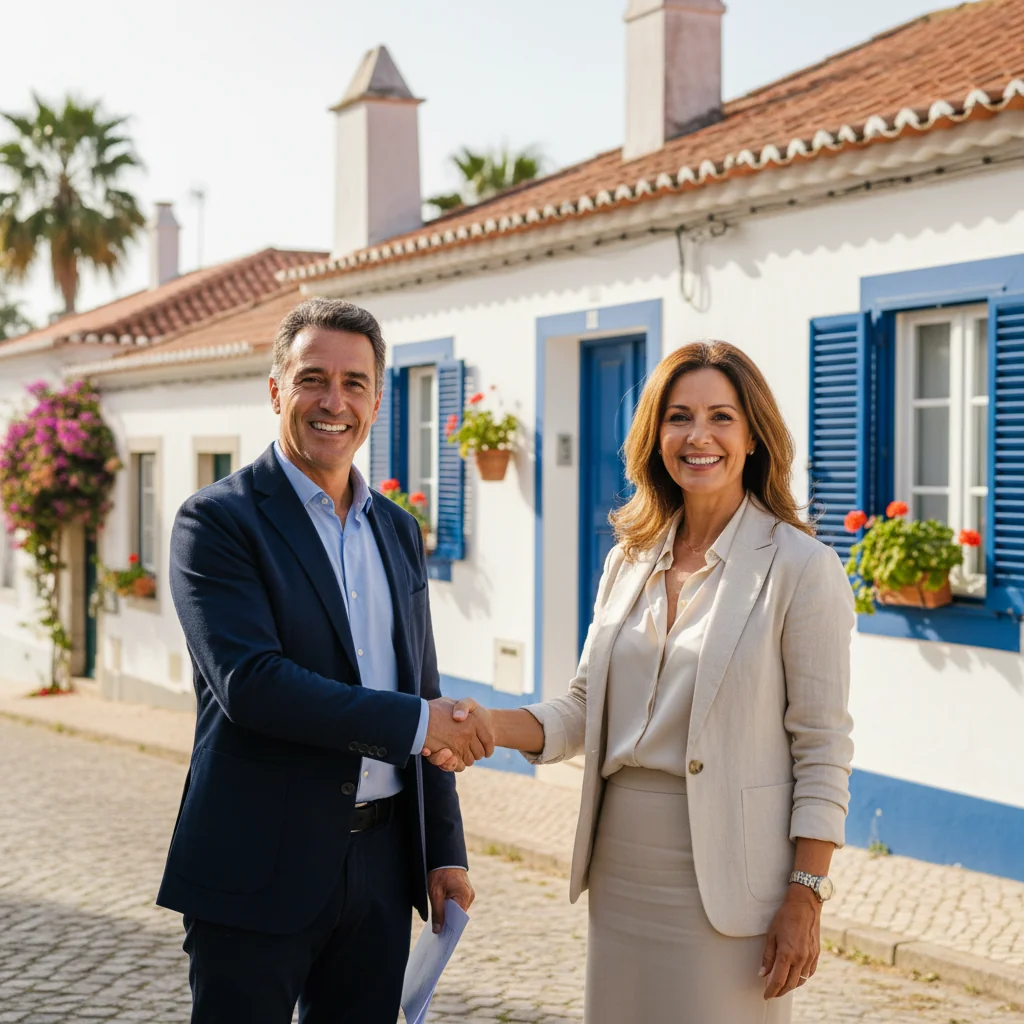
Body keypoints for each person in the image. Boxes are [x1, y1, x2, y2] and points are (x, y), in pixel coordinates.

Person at [426, 341, 855, 1023]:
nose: (699, 436)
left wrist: (807, 890)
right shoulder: (629, 558)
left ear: (753, 436)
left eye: (722, 416)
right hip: (623, 867)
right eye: (679, 417)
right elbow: (585, 705)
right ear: (656, 437)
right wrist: (484, 724)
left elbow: (823, 745)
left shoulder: (801, 568)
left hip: (730, 881)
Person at [157, 298, 494, 1024]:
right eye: (313, 379)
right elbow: (254, 685)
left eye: (355, 383)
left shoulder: (399, 531)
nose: (333, 402)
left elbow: (421, 688)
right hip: (257, 862)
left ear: (377, 398)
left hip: (380, 868)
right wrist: (416, 720)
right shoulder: (217, 522)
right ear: (277, 389)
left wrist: (443, 853)